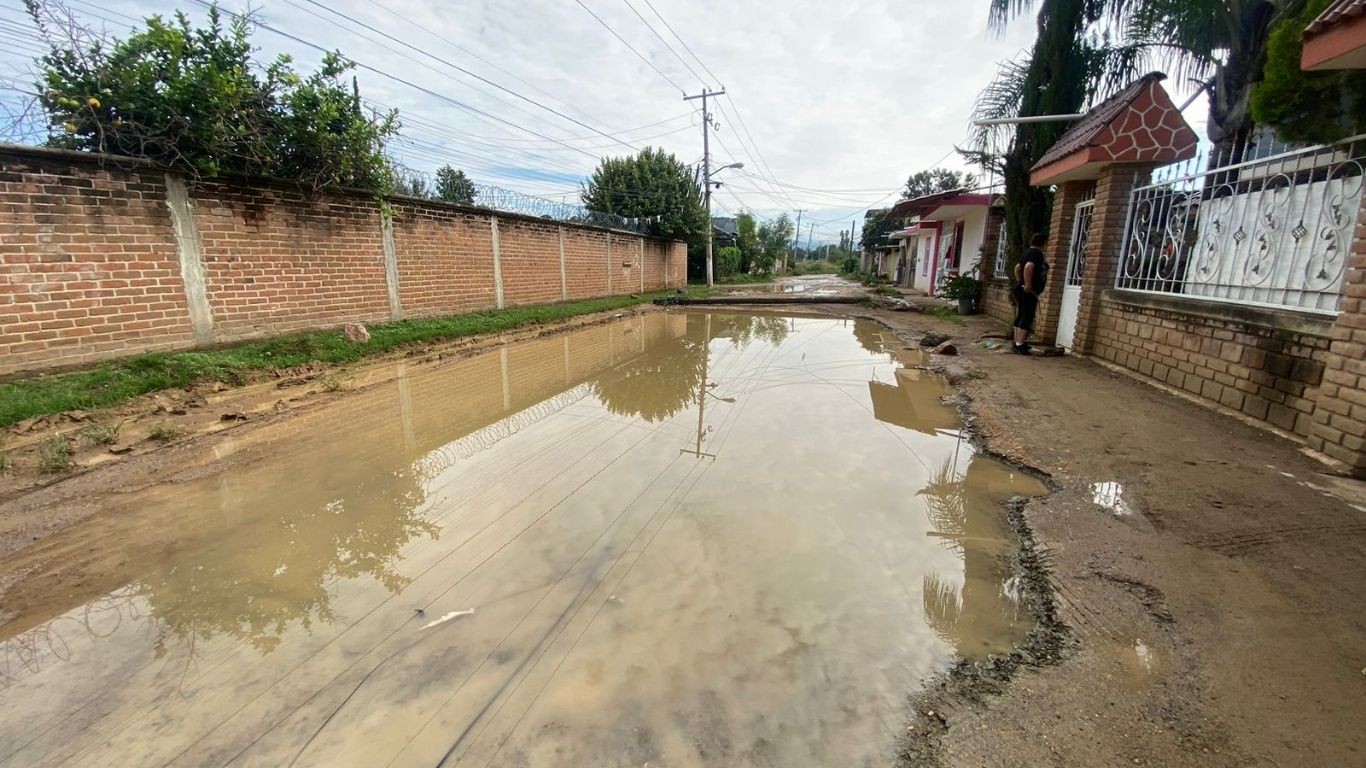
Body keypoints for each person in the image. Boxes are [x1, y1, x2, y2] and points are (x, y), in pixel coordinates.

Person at [1011, 232, 1049, 355]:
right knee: (1027, 315)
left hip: (1020, 289)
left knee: (1021, 314)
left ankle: (1016, 342)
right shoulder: (1037, 254)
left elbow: (1017, 267)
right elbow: (1028, 267)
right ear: (1044, 243)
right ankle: (1020, 344)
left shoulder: (1026, 252)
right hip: (1029, 291)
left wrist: (1020, 281)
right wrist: (1027, 284)